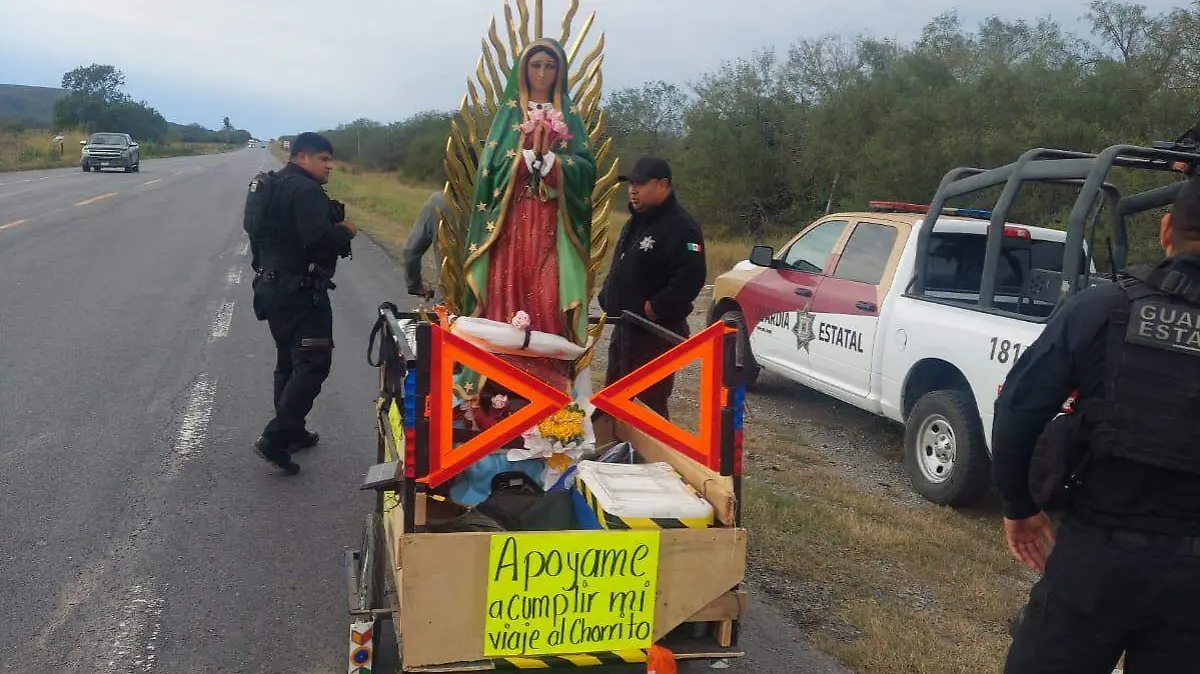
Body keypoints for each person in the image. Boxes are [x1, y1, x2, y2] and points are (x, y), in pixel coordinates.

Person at [993, 174, 1200, 672]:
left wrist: (1018, 507)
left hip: (1095, 557)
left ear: (1167, 229)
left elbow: (1019, 408)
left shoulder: (1104, 307)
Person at [453, 38, 597, 400]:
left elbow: (586, 171)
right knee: (505, 294)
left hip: (552, 228)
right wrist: (523, 159)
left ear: (559, 72)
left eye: (550, 66)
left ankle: (546, 383)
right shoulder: (508, 117)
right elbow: (489, 170)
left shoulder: (570, 117)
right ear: (523, 70)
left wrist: (551, 163)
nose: (543, 73)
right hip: (510, 227)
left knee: (548, 296)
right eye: (536, 65)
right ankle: (497, 386)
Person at [250, 132, 358, 475]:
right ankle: (276, 438)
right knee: (313, 362)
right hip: (301, 292)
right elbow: (319, 241)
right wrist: (346, 231)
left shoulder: (271, 185)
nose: (330, 166)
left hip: (271, 287)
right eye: (324, 159)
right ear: (301, 157)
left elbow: (258, 234)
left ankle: (293, 430)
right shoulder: (305, 191)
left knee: (288, 361)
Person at [597, 156, 706, 420]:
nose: (633, 190)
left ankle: (652, 459)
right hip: (625, 329)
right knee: (612, 402)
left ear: (662, 185)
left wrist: (656, 308)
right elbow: (623, 264)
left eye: (641, 184)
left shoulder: (682, 228)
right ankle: (614, 456)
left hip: (655, 334)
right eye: (631, 184)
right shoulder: (635, 222)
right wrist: (607, 294)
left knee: (648, 408)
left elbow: (691, 277)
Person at [403, 190, 446, 299]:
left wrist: (415, 285)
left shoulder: (439, 201)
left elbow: (410, 251)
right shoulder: (494, 206)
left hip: (453, 295)